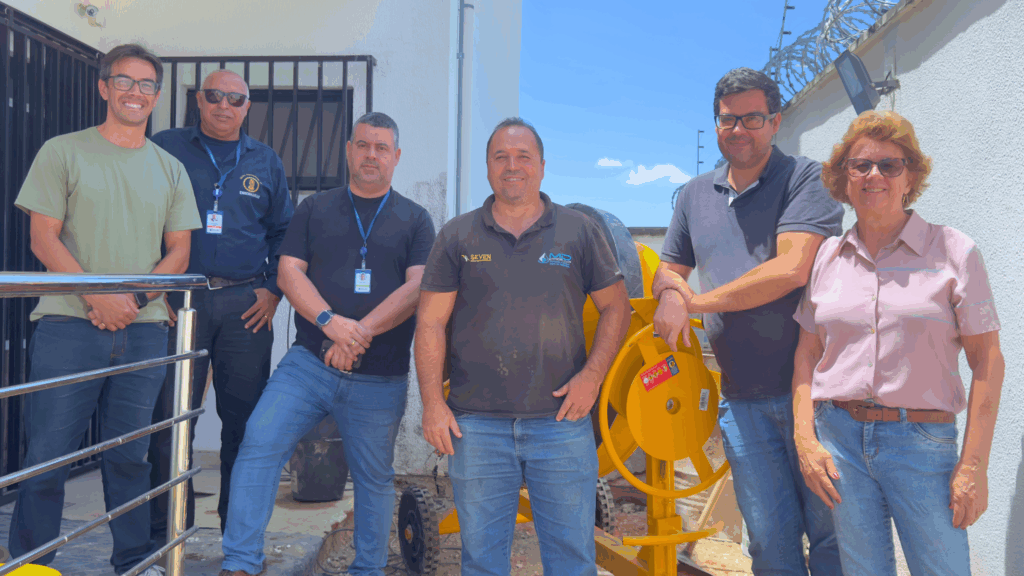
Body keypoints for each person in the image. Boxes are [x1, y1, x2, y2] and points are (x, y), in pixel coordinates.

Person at [8, 44, 201, 576]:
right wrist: (97, 296)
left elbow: (179, 253)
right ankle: (31, 564)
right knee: (48, 454)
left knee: (130, 456)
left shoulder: (170, 168)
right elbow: (42, 238)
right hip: (68, 325)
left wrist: (132, 300)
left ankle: (134, 562)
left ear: (156, 96)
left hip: (144, 329)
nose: (135, 93)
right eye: (124, 81)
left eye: (146, 85)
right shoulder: (62, 151)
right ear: (103, 87)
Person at [219, 112, 435, 576]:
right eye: (363, 145)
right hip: (309, 366)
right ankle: (240, 562)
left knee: (374, 477)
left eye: (381, 148)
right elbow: (288, 272)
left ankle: (367, 570)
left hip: (380, 376)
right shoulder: (314, 208)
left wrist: (357, 334)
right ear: (349, 150)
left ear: (396, 157)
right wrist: (330, 323)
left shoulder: (415, 219)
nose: (371, 155)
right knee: (259, 442)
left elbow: (417, 288)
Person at [416, 118, 631, 576]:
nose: (512, 166)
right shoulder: (457, 235)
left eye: (523, 157)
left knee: (572, 561)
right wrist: (432, 404)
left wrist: (592, 377)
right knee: (482, 562)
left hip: (561, 424)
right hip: (476, 428)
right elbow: (430, 322)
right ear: (488, 167)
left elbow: (617, 307)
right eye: (501, 157)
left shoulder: (578, 231)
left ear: (542, 166)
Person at [792, 111, 1004, 575]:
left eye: (890, 165)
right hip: (840, 441)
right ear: (844, 178)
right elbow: (807, 354)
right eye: (860, 165)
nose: (874, 175)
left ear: (910, 178)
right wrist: (805, 437)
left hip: (921, 443)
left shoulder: (954, 251)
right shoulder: (827, 256)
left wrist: (973, 466)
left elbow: (987, 361)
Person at [651, 67, 843, 574]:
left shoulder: (807, 179)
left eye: (752, 118)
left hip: (817, 396)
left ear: (775, 121)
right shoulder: (694, 195)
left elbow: (791, 267)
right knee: (769, 546)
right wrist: (668, 292)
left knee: (833, 541)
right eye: (727, 119)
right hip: (741, 401)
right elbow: (668, 269)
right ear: (716, 124)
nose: (739, 129)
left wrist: (693, 302)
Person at [147, 69, 294, 541]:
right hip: (179, 301)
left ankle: (238, 535)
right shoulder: (166, 147)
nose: (223, 105)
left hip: (245, 304)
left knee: (244, 425)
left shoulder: (265, 161)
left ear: (247, 107)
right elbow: (144, 218)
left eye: (235, 99)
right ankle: (169, 532)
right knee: (171, 422)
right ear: (198, 99)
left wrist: (272, 289)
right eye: (215, 96)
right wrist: (154, 288)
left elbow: (285, 232)